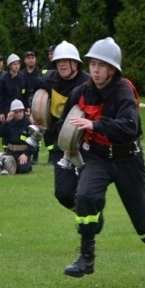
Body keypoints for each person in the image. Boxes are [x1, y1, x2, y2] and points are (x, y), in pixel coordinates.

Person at [58, 37, 145, 281]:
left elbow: (129, 127)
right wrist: (64, 133)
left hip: (127, 158)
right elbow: (65, 122)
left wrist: (95, 124)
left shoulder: (123, 91)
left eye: (101, 65)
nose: (96, 70)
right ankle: (86, 258)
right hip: (97, 157)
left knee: (141, 218)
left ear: (112, 69)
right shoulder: (81, 92)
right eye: (93, 64)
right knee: (85, 196)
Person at [40, 41, 90, 208]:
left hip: (87, 146)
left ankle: (91, 217)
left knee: (87, 192)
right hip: (61, 143)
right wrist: (34, 108)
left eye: (65, 60)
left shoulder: (88, 83)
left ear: (75, 63)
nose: (61, 64)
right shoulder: (49, 80)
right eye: (58, 61)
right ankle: (84, 212)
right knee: (63, 194)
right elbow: (33, 86)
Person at [0, 99, 35, 174]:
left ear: (23, 111)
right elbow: (0, 133)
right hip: (10, 152)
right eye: (16, 112)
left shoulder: (28, 123)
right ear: (12, 112)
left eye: (20, 111)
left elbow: (34, 142)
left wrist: (26, 154)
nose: (18, 114)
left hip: (22, 153)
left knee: (23, 169)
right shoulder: (9, 122)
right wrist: (6, 121)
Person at [0, 53, 28, 122]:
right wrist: (0, 112)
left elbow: (26, 94)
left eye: (18, 64)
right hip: (8, 109)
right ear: (10, 66)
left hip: (21, 109)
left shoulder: (23, 77)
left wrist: (27, 107)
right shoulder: (3, 79)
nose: (17, 66)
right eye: (14, 64)